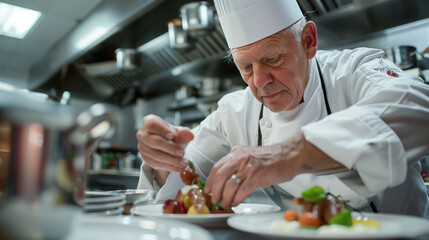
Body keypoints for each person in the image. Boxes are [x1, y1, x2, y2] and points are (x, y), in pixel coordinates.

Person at [136, 0, 429, 217]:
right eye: (246, 67)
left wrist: (285, 156)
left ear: (309, 41)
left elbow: (418, 106)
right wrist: (164, 158)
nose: (260, 82)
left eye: (273, 58)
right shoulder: (235, 112)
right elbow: (185, 179)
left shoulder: (354, 71)